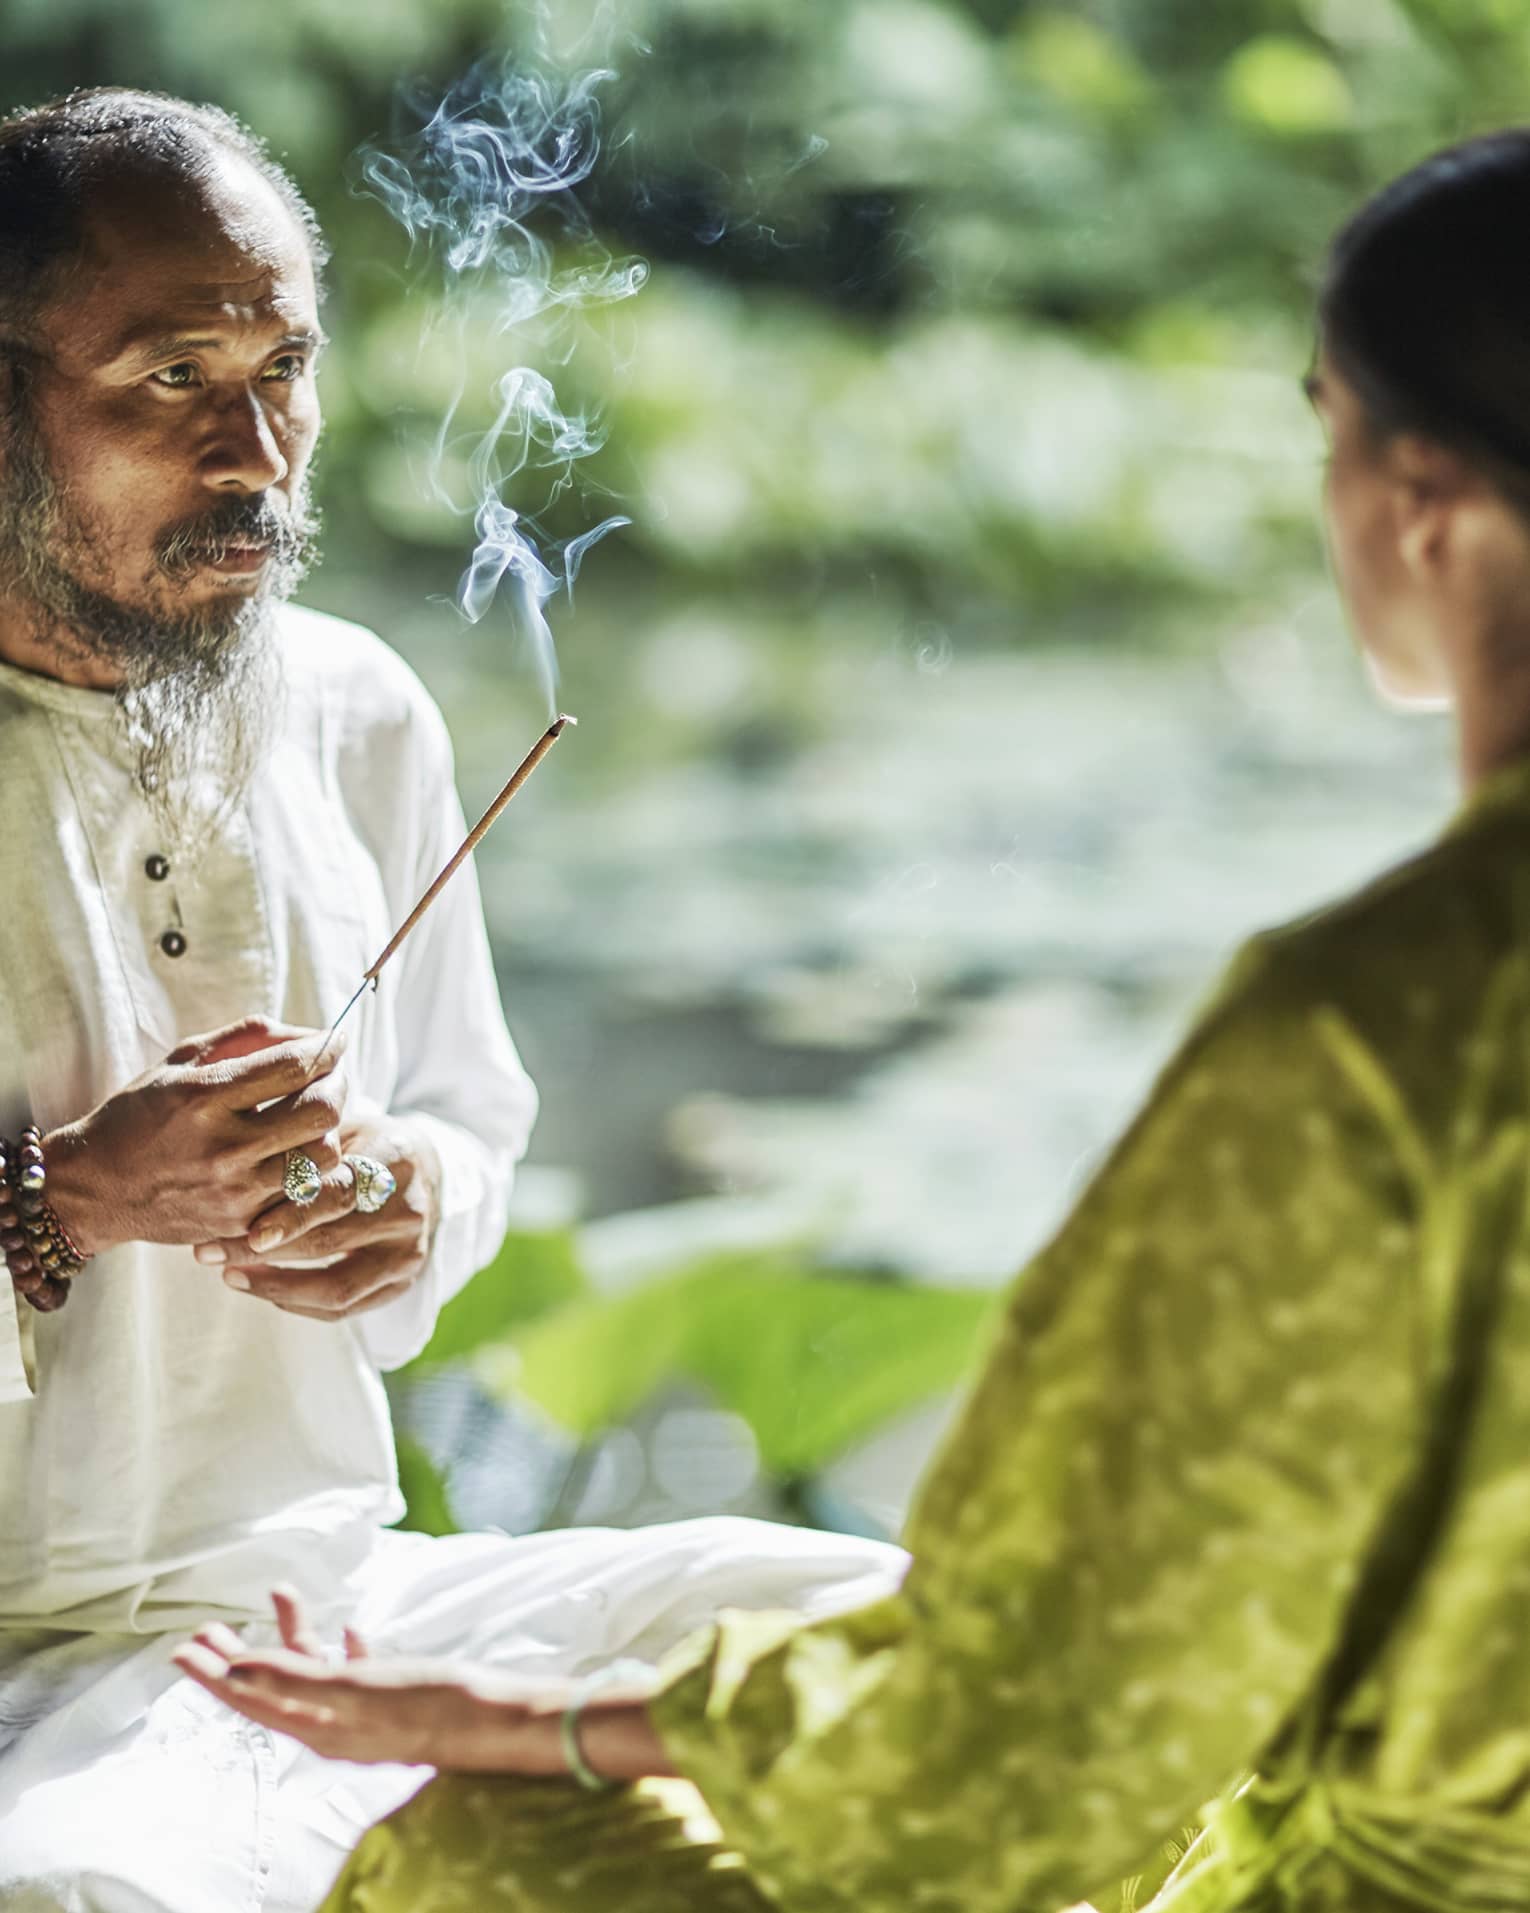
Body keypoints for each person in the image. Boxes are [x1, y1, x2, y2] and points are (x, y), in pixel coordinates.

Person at [180, 126, 1530, 1913]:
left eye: (1325, 427)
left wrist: (558, 1732)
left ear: (1417, 496)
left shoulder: (1373, 1036)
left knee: (502, 1851)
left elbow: (994, 1774)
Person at [0, 89, 904, 1913]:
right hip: (39, 1675)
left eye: (287, 370)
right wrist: (68, 1197)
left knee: (894, 1617)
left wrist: (407, 1198)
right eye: (175, 377)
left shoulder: (353, 709)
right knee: (92, 1890)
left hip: (336, 1599)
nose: (259, 449)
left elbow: (472, 1122)